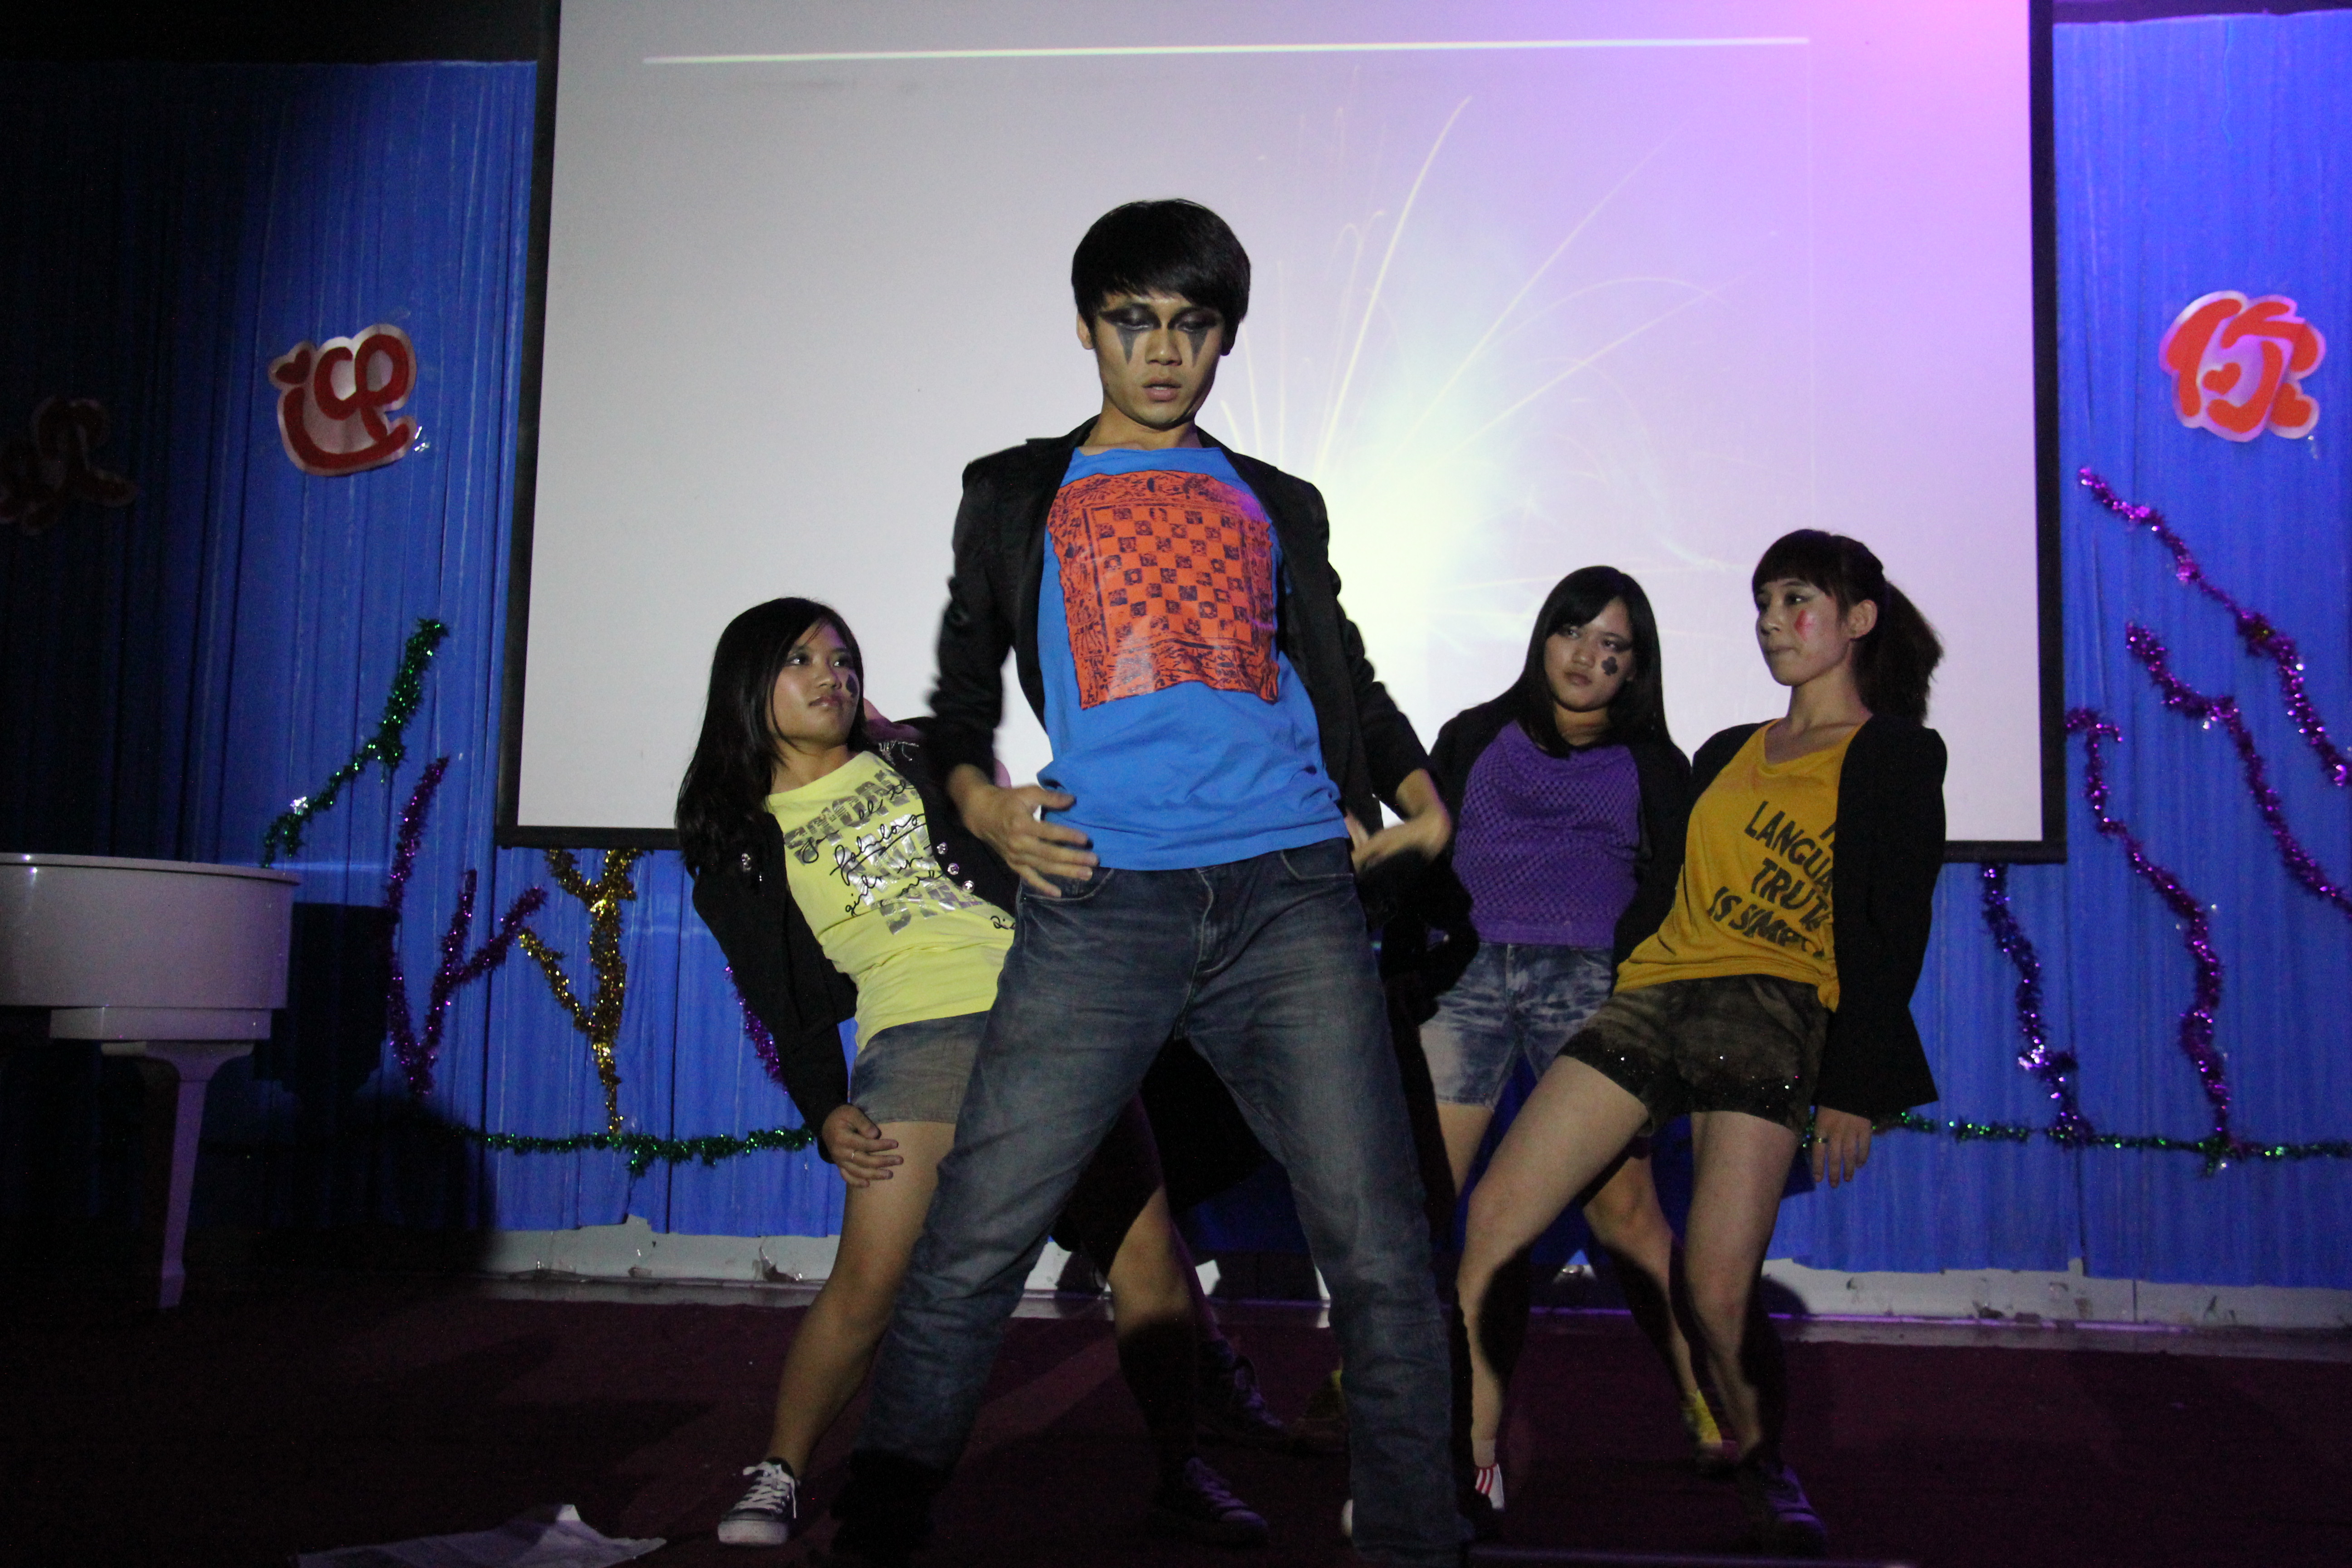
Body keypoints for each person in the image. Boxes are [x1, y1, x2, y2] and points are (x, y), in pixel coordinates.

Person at [823, 200, 1464, 1568]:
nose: (1163, 351)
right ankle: (877, 1531)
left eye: (1192, 325)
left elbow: (1342, 669)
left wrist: (1421, 797)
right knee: (977, 1236)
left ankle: (1419, 1545)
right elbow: (956, 694)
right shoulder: (1017, 491)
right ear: (1087, 328)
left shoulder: (1276, 500)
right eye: (1134, 321)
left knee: (1381, 1247)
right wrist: (979, 805)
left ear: (1225, 338)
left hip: (1289, 891)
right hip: (1103, 895)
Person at [679, 597, 1276, 1552]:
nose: (833, 675)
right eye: (801, 660)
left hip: (1049, 1009)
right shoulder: (744, 842)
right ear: (748, 685)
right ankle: (780, 1469)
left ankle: (1182, 1471)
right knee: (871, 1284)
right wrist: (824, 1109)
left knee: (1146, 1257)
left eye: (843, 658)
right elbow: (783, 1001)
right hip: (919, 1036)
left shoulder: (913, 757)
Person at [1454, 531, 1945, 1557]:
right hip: (1653, 996)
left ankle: (1763, 1462)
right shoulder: (1726, 748)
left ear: (1859, 619)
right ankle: (1471, 1466)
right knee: (1494, 1220)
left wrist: (1854, 1083)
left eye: (1796, 601)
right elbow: (1661, 890)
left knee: (1715, 1290)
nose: (1771, 622)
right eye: (1763, 604)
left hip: (1768, 1010)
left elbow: (1894, 926)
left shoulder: (1896, 753)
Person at [1385, 566, 1725, 1532]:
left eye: (1614, 647)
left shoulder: (1656, 764)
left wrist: (1647, 1004)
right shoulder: (1472, 734)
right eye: (1576, 632)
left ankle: (1710, 1399)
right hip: (1468, 980)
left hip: (1589, 989)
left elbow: (1673, 890)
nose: (1589, 657)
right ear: (1544, 636)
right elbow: (1424, 856)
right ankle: (1399, 1400)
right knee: (1422, 1213)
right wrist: (1406, 959)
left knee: (1628, 1216)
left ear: (1635, 669)